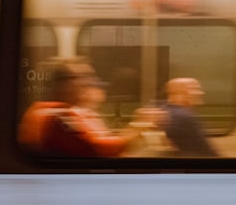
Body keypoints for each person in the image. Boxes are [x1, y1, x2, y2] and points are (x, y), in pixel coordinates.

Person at [18, 60, 149, 157]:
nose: (86, 85)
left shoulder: (43, 109)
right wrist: (138, 126)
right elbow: (100, 148)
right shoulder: (58, 116)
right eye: (81, 79)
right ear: (64, 84)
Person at [161, 77, 219, 157]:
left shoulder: (165, 111)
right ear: (182, 94)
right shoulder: (185, 118)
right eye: (195, 89)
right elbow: (206, 151)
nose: (201, 93)